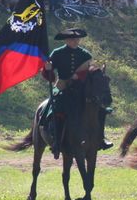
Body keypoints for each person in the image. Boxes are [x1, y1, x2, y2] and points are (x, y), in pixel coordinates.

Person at [39, 27, 113, 157]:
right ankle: (56, 141)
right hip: (62, 87)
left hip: (81, 89)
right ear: (66, 40)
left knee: (100, 110)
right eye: (72, 39)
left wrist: (79, 76)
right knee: (55, 110)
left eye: (77, 39)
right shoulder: (57, 53)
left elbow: (90, 72)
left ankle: (100, 139)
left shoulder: (85, 55)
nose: (75, 41)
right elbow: (49, 75)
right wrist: (47, 69)